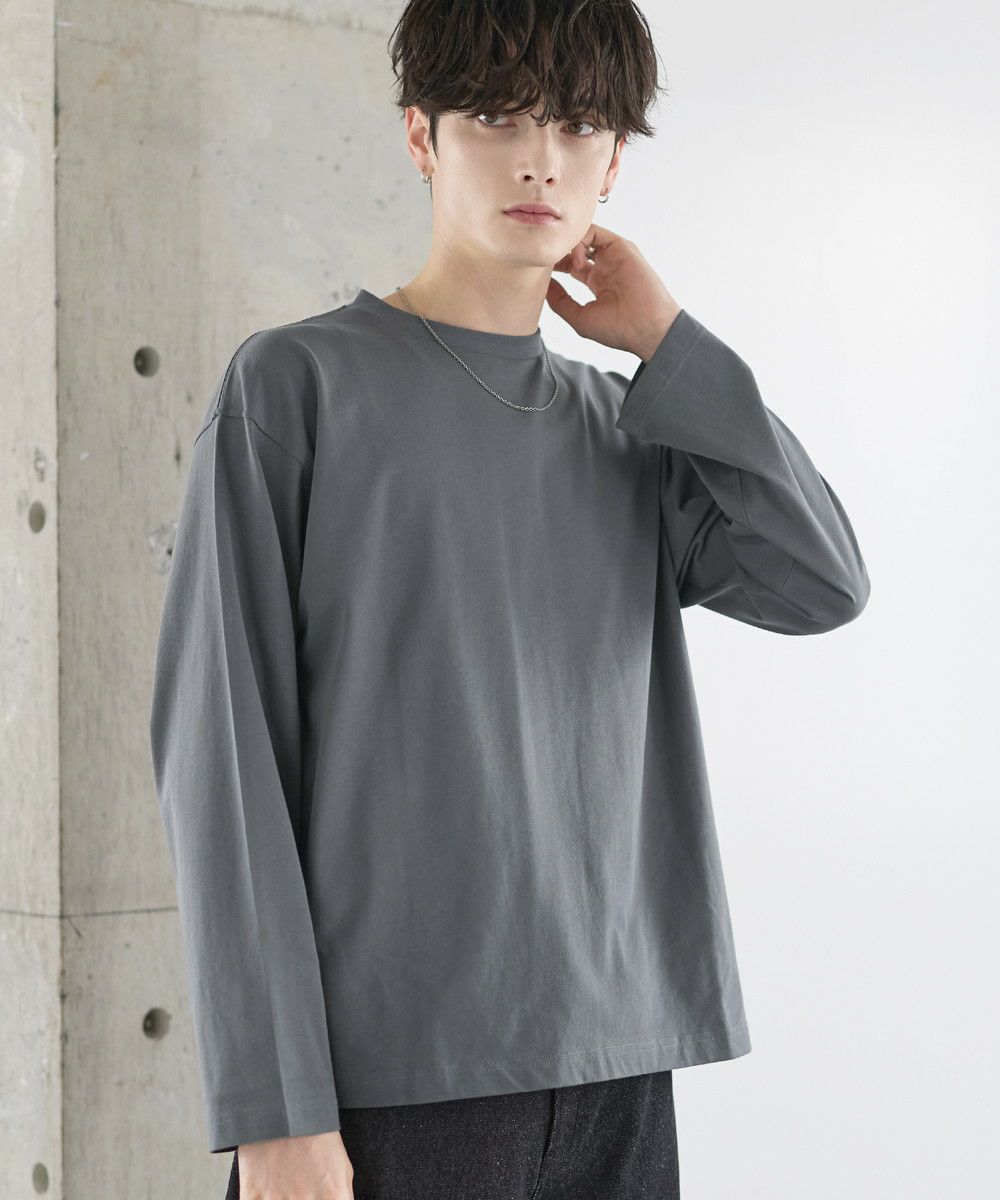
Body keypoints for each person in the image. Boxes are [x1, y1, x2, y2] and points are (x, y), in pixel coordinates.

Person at [149, 2, 871, 1197]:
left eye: (578, 125)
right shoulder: (298, 387)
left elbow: (821, 579)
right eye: (496, 116)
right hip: (393, 1085)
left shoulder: (628, 428)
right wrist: (276, 1113)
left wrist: (669, 343)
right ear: (420, 136)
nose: (541, 158)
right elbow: (222, 764)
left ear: (614, 162)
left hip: (618, 1071)